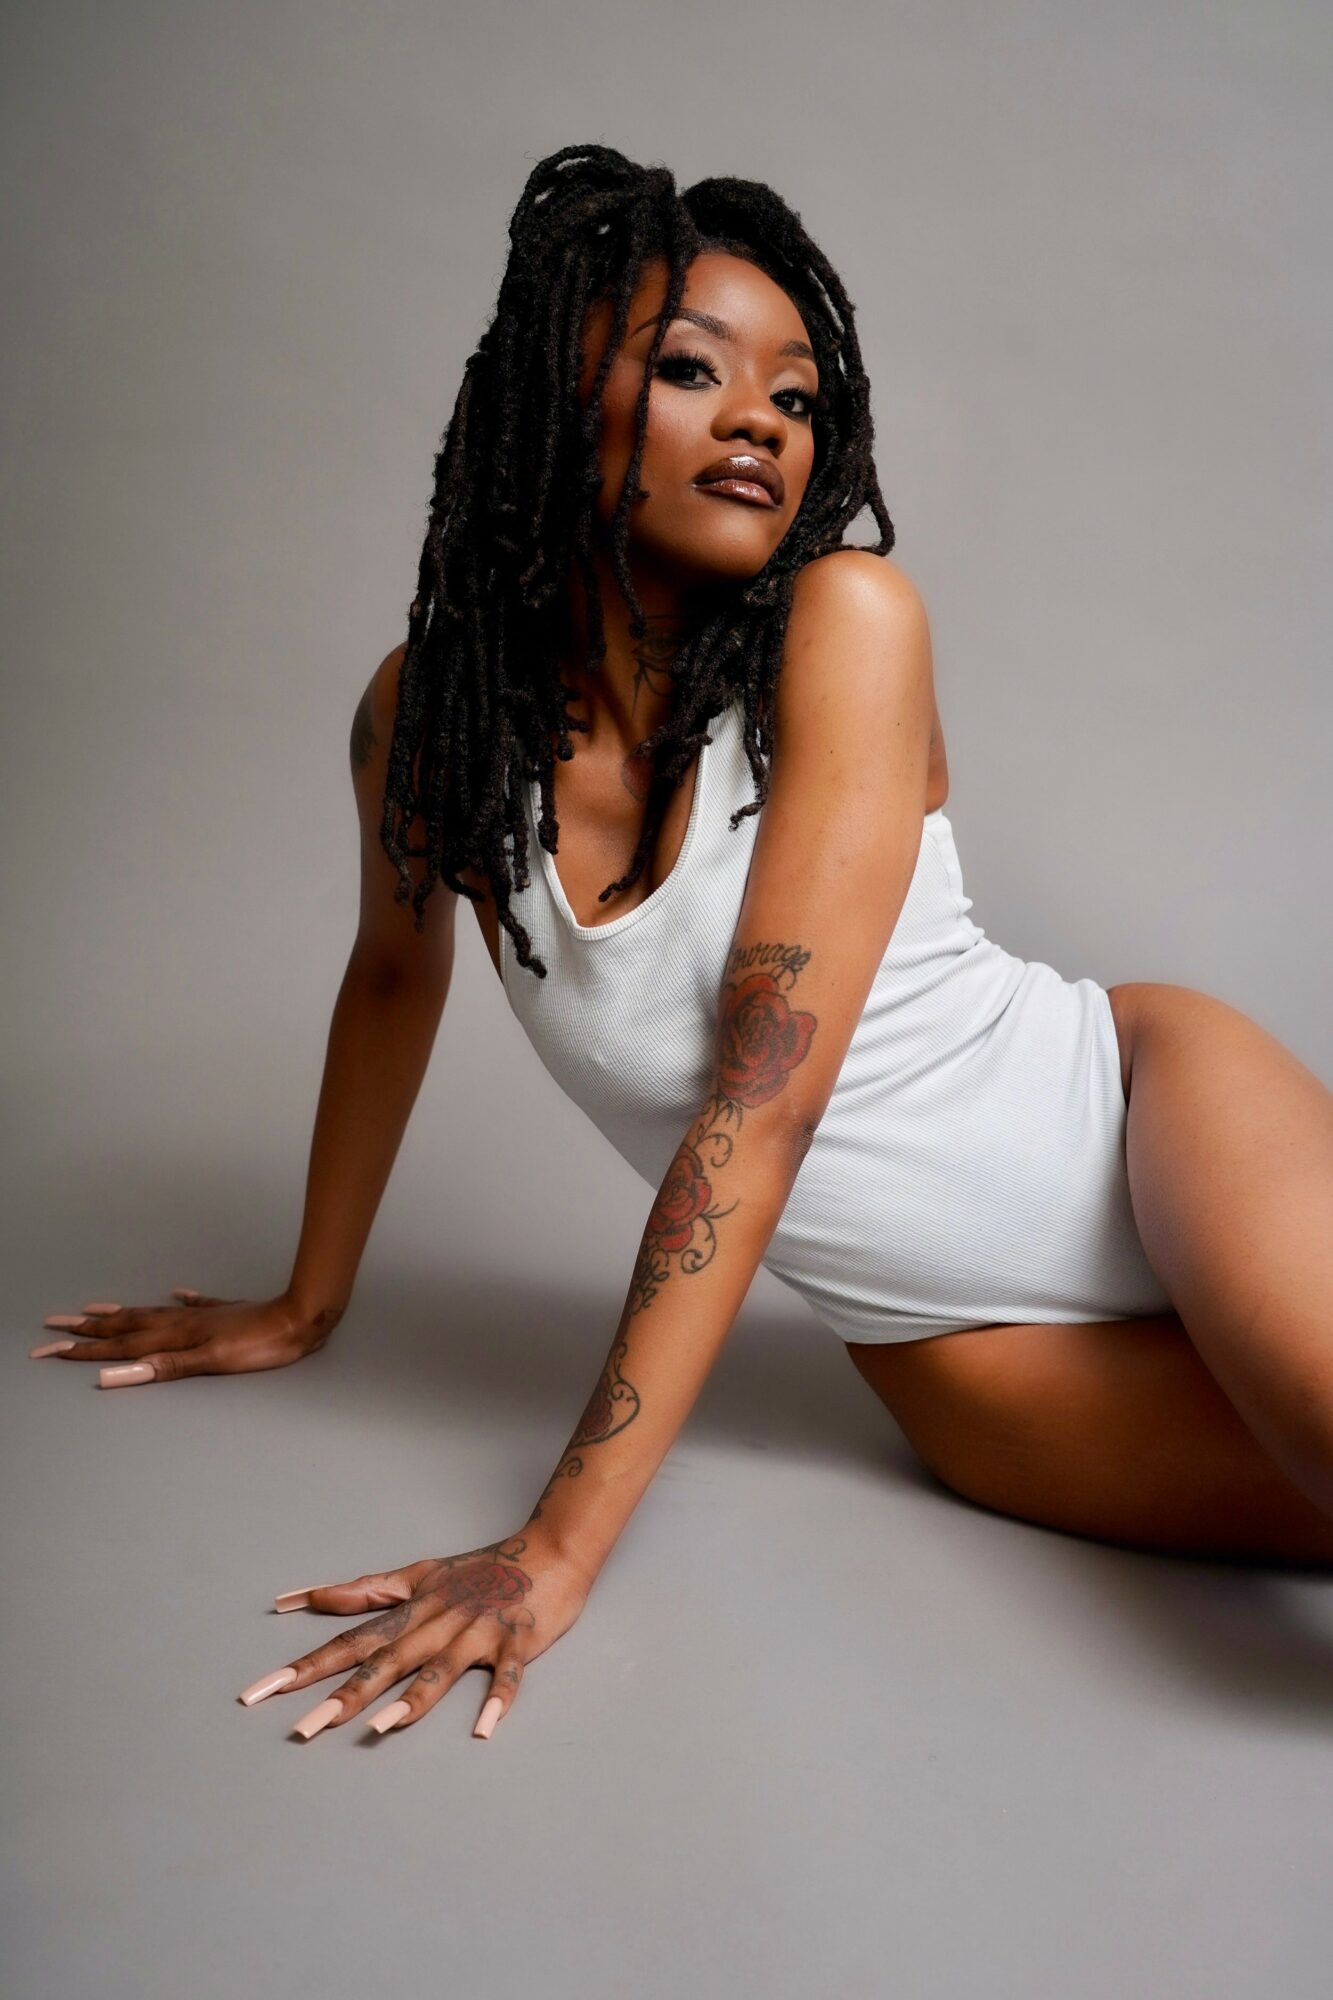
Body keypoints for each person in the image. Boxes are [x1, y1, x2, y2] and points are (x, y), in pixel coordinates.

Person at [31, 145, 1333, 1744]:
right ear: (555, 394)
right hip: (948, 1351)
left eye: (793, 396)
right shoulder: (426, 725)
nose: (758, 423)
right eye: (692, 369)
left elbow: (759, 1102)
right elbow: (389, 976)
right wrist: (306, 1301)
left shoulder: (844, 624)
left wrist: (550, 1553)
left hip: (1137, 1121)